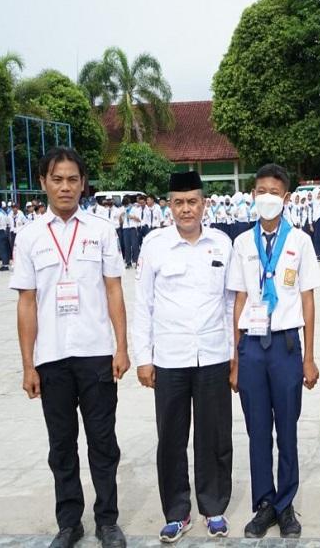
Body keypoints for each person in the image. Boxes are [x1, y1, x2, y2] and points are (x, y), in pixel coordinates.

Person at [9, 147, 129, 548]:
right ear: (43, 182)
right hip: (52, 358)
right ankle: (69, 523)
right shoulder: (28, 237)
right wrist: (28, 365)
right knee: (61, 445)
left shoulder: (100, 230)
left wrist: (121, 347)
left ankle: (108, 521)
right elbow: (26, 302)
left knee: (102, 442)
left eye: (72, 179)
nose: (65, 187)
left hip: (96, 354)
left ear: (83, 183)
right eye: (57, 179)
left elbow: (114, 290)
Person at [133, 171, 234, 542]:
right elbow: (143, 304)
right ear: (169, 205)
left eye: (193, 201)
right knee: (171, 438)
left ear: (203, 203)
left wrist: (233, 356)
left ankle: (214, 507)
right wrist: (144, 357)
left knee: (215, 435)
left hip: (212, 355)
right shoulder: (154, 245)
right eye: (179, 202)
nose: (186, 209)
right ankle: (177, 512)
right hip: (170, 358)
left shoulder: (222, 243)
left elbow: (230, 303)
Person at [227, 163, 320, 538]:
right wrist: (235, 358)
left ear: (285, 198)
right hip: (251, 346)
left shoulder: (300, 242)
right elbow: (238, 300)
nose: (267, 198)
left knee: (287, 429)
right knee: (258, 431)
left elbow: (309, 300)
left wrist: (309, 357)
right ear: (253, 195)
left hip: (285, 346)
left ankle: (286, 505)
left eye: (274, 192)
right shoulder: (243, 243)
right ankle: (264, 504)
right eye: (260, 190)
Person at [0, 202, 12, 271]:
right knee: (5, 248)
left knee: (2, 249)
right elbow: (8, 222)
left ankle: (5, 265)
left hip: (0, 231)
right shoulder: (4, 213)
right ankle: (6, 263)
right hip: (5, 231)